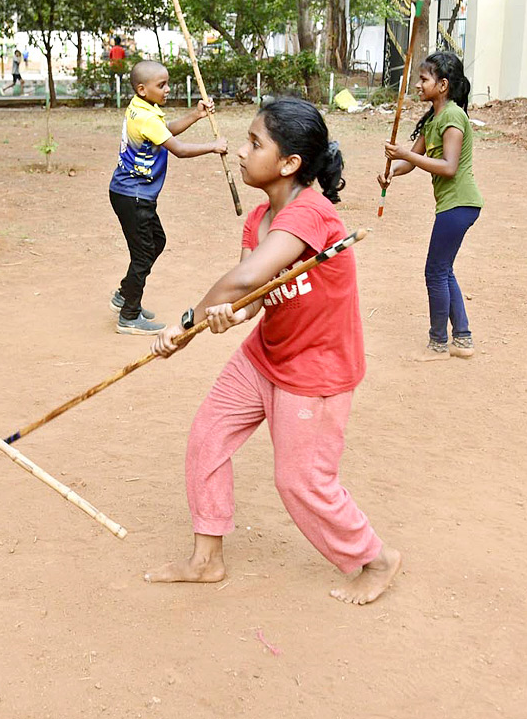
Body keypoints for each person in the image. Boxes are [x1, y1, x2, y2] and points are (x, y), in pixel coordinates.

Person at [145, 96, 401, 605]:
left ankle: (375, 558)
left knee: (300, 481)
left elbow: (243, 277)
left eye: (254, 143)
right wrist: (228, 316)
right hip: (265, 355)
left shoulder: (311, 214)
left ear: (290, 164)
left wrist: (188, 323)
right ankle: (206, 559)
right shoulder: (259, 217)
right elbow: (249, 298)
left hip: (316, 373)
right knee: (208, 436)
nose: (241, 152)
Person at [378, 51, 482, 361]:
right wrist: (391, 172)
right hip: (453, 205)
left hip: (460, 203)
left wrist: (404, 156)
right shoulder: (433, 119)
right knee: (443, 270)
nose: (418, 85)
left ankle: (438, 343)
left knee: (435, 271)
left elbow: (448, 167)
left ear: (444, 85)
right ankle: (462, 339)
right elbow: (410, 162)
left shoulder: (453, 116)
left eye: (424, 79)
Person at [109, 60, 225, 334]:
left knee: (156, 242)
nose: (167, 90)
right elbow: (179, 149)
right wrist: (213, 146)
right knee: (143, 253)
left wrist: (195, 115)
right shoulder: (147, 116)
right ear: (142, 88)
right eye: (161, 85)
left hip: (132, 193)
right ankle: (128, 315)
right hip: (134, 196)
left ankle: (126, 295)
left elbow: (166, 131)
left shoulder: (142, 108)